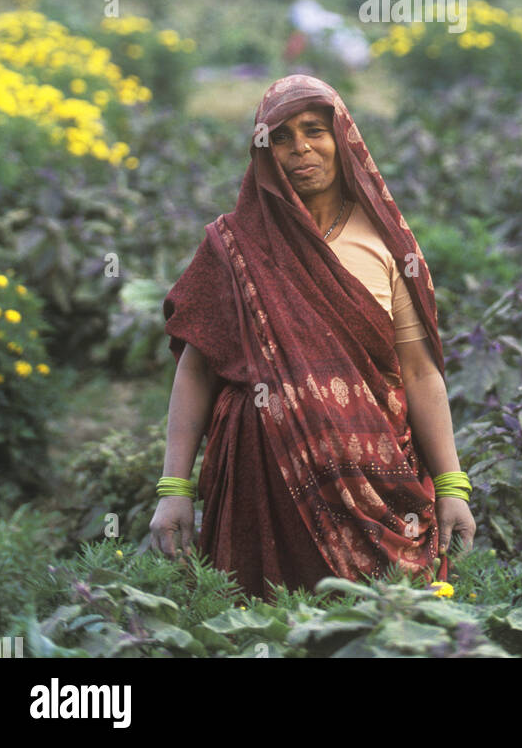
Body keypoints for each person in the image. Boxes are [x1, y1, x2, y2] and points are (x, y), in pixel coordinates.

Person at [149, 74, 474, 596]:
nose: (300, 149)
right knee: (260, 626)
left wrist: (453, 485)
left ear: (342, 138)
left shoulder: (388, 247)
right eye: (280, 137)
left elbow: (417, 371)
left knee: (380, 630)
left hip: (380, 484)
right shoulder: (232, 246)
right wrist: (174, 488)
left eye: (315, 131)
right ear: (263, 151)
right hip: (262, 484)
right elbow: (194, 372)